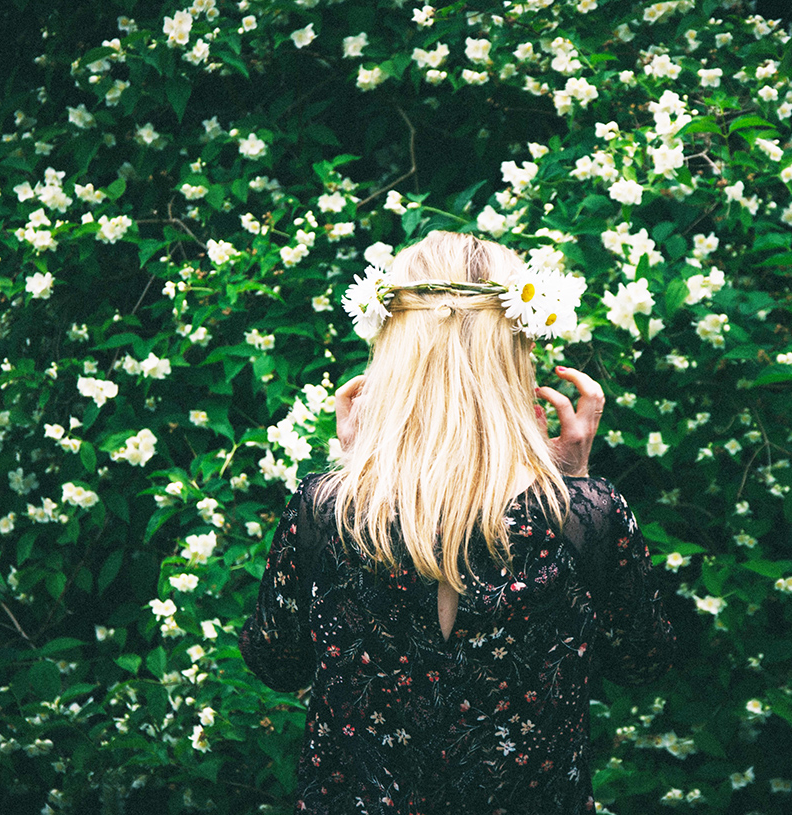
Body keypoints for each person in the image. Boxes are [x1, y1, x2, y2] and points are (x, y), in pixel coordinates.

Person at [240, 231, 676, 814]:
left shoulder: (325, 511)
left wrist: (354, 477)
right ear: (516, 349)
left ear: (393, 349)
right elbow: (643, 660)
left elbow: (275, 661)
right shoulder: (585, 517)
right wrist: (571, 487)